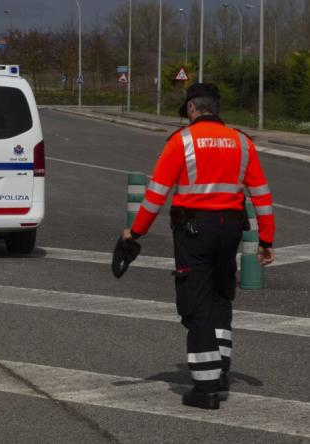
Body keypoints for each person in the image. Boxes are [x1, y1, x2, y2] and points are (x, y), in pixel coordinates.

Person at [120, 83, 275, 410]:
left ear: (191, 108)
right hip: (231, 228)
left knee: (196, 302)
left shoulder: (182, 141)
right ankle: (220, 372)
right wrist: (266, 240)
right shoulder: (242, 142)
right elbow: (261, 194)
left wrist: (135, 232)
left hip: (194, 230)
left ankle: (205, 389)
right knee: (221, 295)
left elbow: (156, 193)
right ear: (216, 108)